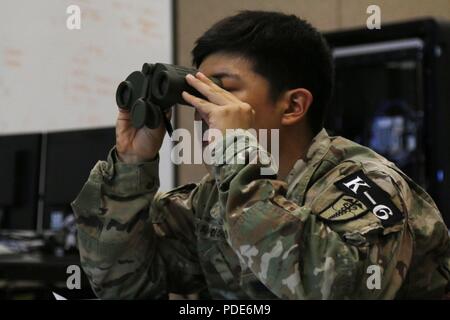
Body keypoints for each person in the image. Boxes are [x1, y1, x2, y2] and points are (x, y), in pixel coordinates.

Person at [71, 11, 450, 299]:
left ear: (293, 106)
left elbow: (334, 289)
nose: (202, 108)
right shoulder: (214, 198)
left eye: (220, 90)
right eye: (198, 92)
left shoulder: (363, 185)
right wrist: (131, 166)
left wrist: (236, 153)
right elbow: (120, 283)